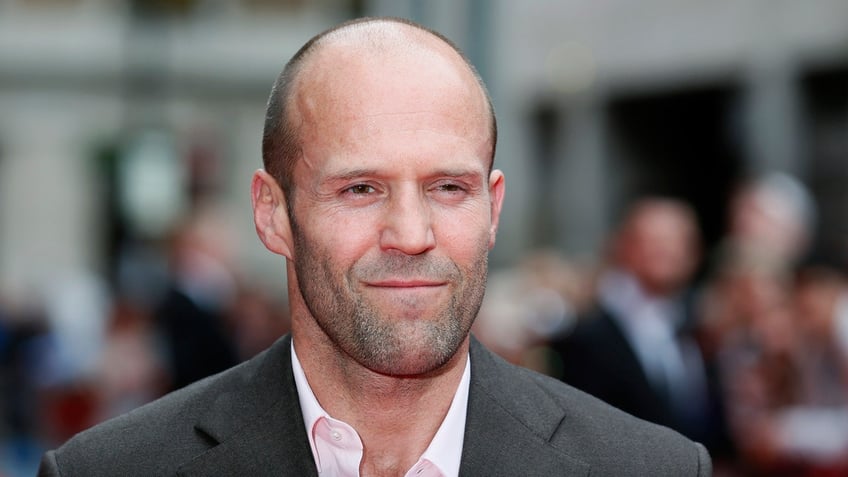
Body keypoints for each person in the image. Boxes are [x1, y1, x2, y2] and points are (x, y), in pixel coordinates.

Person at [38, 17, 711, 476]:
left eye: (449, 187)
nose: (412, 236)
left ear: (493, 206)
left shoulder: (650, 467)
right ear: (273, 214)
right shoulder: (112, 470)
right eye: (361, 189)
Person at [553, 198, 727, 452]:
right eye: (653, 241)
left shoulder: (700, 323)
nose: (666, 251)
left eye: (678, 241)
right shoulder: (588, 332)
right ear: (623, 245)